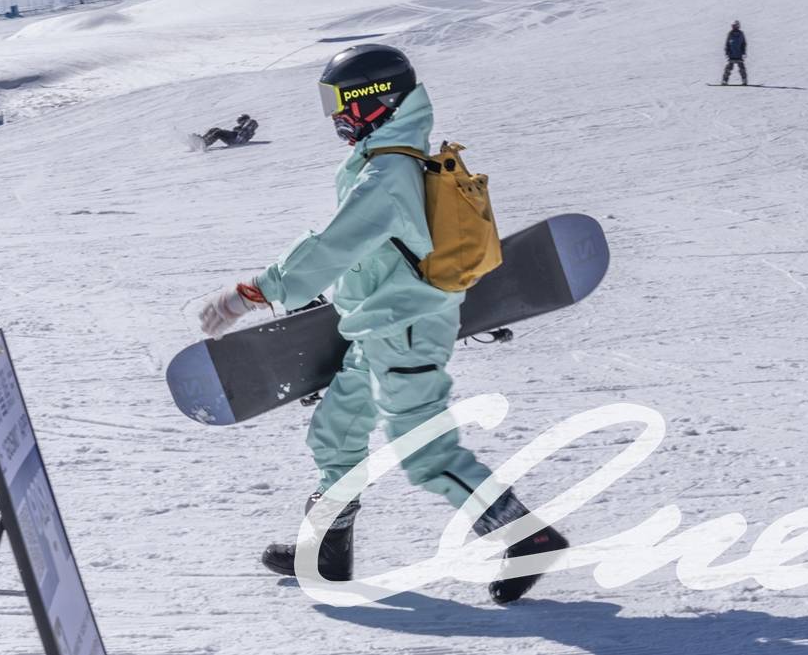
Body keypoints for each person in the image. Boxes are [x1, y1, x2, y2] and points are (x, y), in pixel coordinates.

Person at [191, 45, 566, 601]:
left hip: (406, 330)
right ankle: (328, 554)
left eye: (341, 102)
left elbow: (336, 244)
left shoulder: (389, 171)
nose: (336, 116)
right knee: (336, 433)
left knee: (424, 453)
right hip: (380, 326)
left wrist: (255, 292)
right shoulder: (388, 156)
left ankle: (526, 537)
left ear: (377, 99)